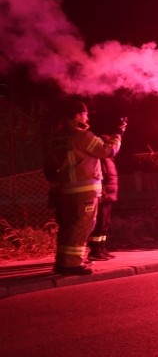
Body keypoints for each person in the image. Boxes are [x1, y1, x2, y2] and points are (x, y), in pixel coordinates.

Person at [42, 101, 124, 275]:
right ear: (78, 116)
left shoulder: (57, 137)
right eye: (85, 115)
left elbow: (50, 165)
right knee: (81, 226)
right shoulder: (82, 136)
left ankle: (62, 262)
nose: (87, 118)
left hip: (67, 190)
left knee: (68, 226)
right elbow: (107, 151)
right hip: (84, 190)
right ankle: (72, 264)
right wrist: (118, 135)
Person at [87, 111, 125, 261]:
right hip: (103, 192)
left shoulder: (108, 157)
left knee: (105, 223)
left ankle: (102, 248)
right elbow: (102, 174)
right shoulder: (101, 154)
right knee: (100, 222)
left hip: (109, 192)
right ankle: (95, 250)